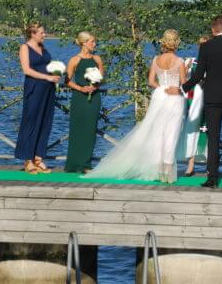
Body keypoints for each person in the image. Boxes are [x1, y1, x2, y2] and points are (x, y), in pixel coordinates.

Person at [85, 29, 186, 183]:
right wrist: (175, 87)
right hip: (174, 97)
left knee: (157, 133)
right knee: (171, 134)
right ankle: (167, 173)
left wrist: (161, 87)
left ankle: (158, 171)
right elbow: (184, 84)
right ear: (176, 42)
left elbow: (151, 81)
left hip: (159, 95)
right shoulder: (179, 61)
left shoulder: (156, 59)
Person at [167, 15, 222, 189]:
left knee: (213, 138)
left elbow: (197, 75)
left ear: (213, 30)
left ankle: (212, 178)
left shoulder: (206, 47)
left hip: (213, 99)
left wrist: (182, 88)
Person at [15, 23, 60, 174]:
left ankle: (38, 158)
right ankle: (28, 160)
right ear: (33, 34)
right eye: (41, 32)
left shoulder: (44, 48)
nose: (44, 35)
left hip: (48, 89)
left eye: (43, 32)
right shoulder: (24, 48)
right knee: (31, 122)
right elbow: (26, 70)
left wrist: (55, 74)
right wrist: (47, 77)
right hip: (34, 88)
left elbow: (46, 66)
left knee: (45, 122)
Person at [65, 32, 104, 173]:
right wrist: (81, 88)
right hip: (79, 99)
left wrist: (95, 85)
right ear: (84, 43)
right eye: (92, 42)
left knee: (90, 130)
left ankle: (86, 164)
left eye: (95, 42)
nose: (95, 44)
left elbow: (102, 78)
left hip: (94, 98)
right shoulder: (74, 60)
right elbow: (67, 81)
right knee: (77, 130)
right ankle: (74, 164)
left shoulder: (97, 59)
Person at [175, 35, 210, 177]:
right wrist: (185, 68)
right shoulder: (190, 61)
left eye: (206, 45)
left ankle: (210, 165)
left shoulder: (213, 63)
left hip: (207, 100)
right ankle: (190, 165)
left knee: (208, 132)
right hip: (192, 101)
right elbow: (181, 82)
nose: (203, 47)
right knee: (190, 131)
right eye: (201, 44)